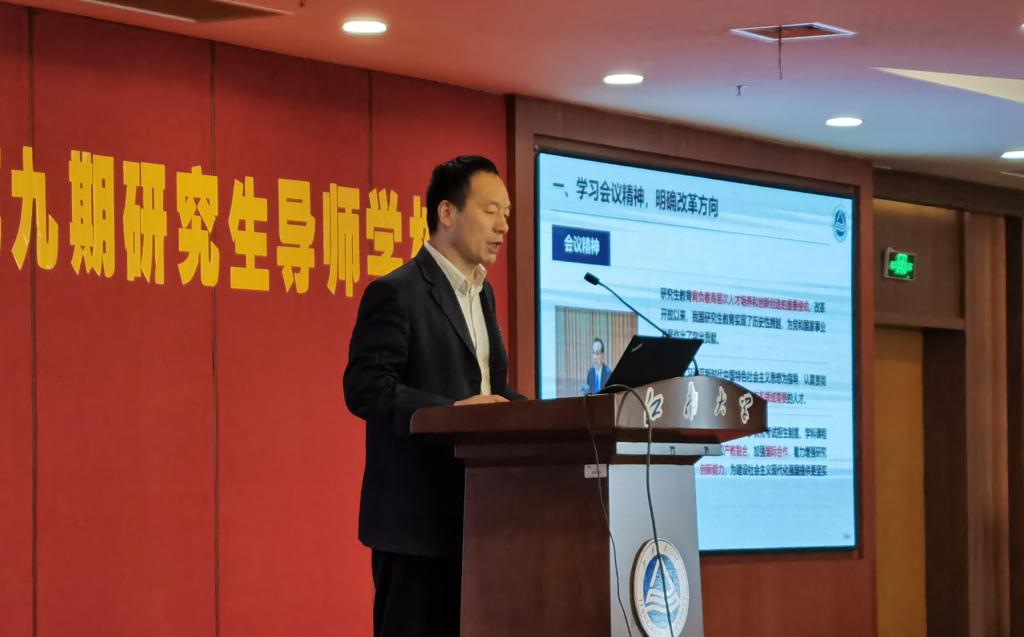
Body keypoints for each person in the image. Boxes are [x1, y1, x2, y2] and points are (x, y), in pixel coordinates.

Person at [343, 155, 525, 637]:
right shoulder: (397, 292)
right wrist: (453, 413)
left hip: (477, 518)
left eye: (507, 214)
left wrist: (554, 414)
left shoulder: (482, 295)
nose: (503, 226)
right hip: (414, 527)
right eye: (491, 210)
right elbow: (366, 388)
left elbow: (488, 390)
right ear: (447, 213)